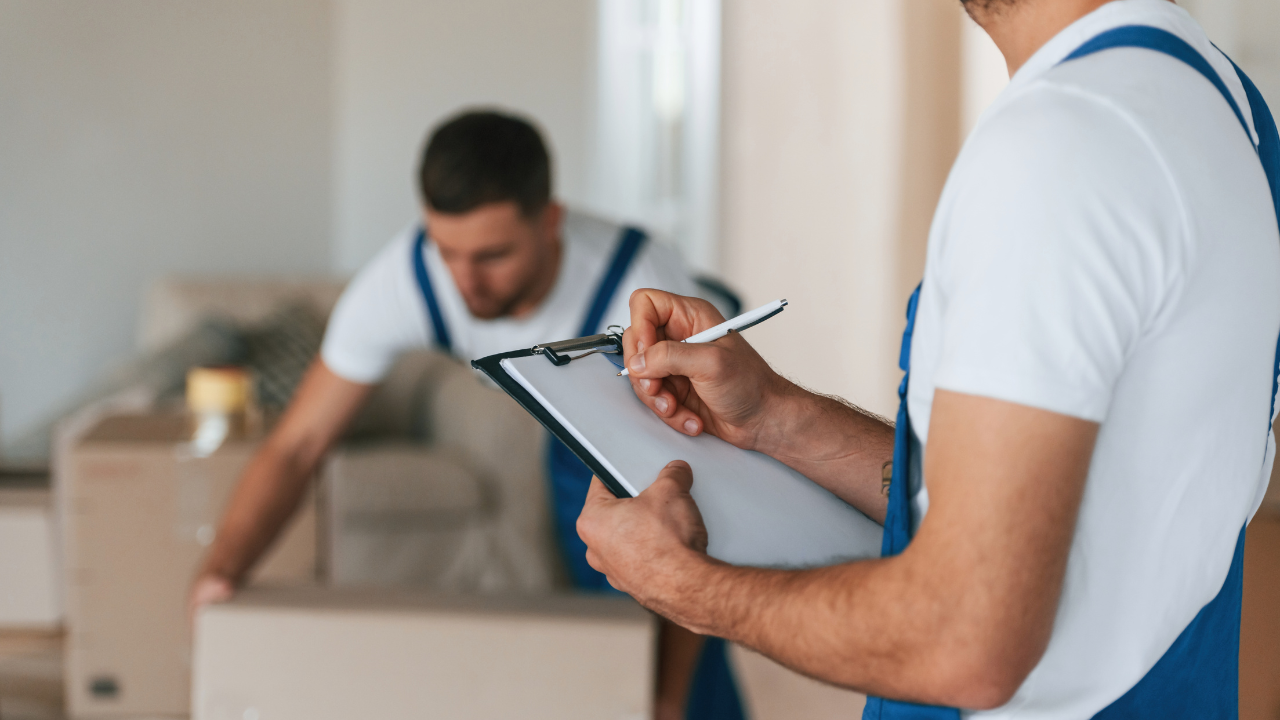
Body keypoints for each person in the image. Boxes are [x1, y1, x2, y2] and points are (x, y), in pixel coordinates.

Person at [577, 0, 1280, 717]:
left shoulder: (1060, 147)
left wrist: (682, 586)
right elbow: (1033, 518)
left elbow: (962, 640)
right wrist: (776, 416)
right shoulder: (1221, 104)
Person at [189, 110, 745, 720]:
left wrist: (665, 701)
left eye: (492, 255)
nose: (464, 283)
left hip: (657, 398)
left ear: (550, 222)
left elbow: (699, 512)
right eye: (447, 251)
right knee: (594, 615)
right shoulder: (407, 277)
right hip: (559, 408)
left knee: (657, 584)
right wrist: (221, 571)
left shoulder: (638, 283)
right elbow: (298, 444)